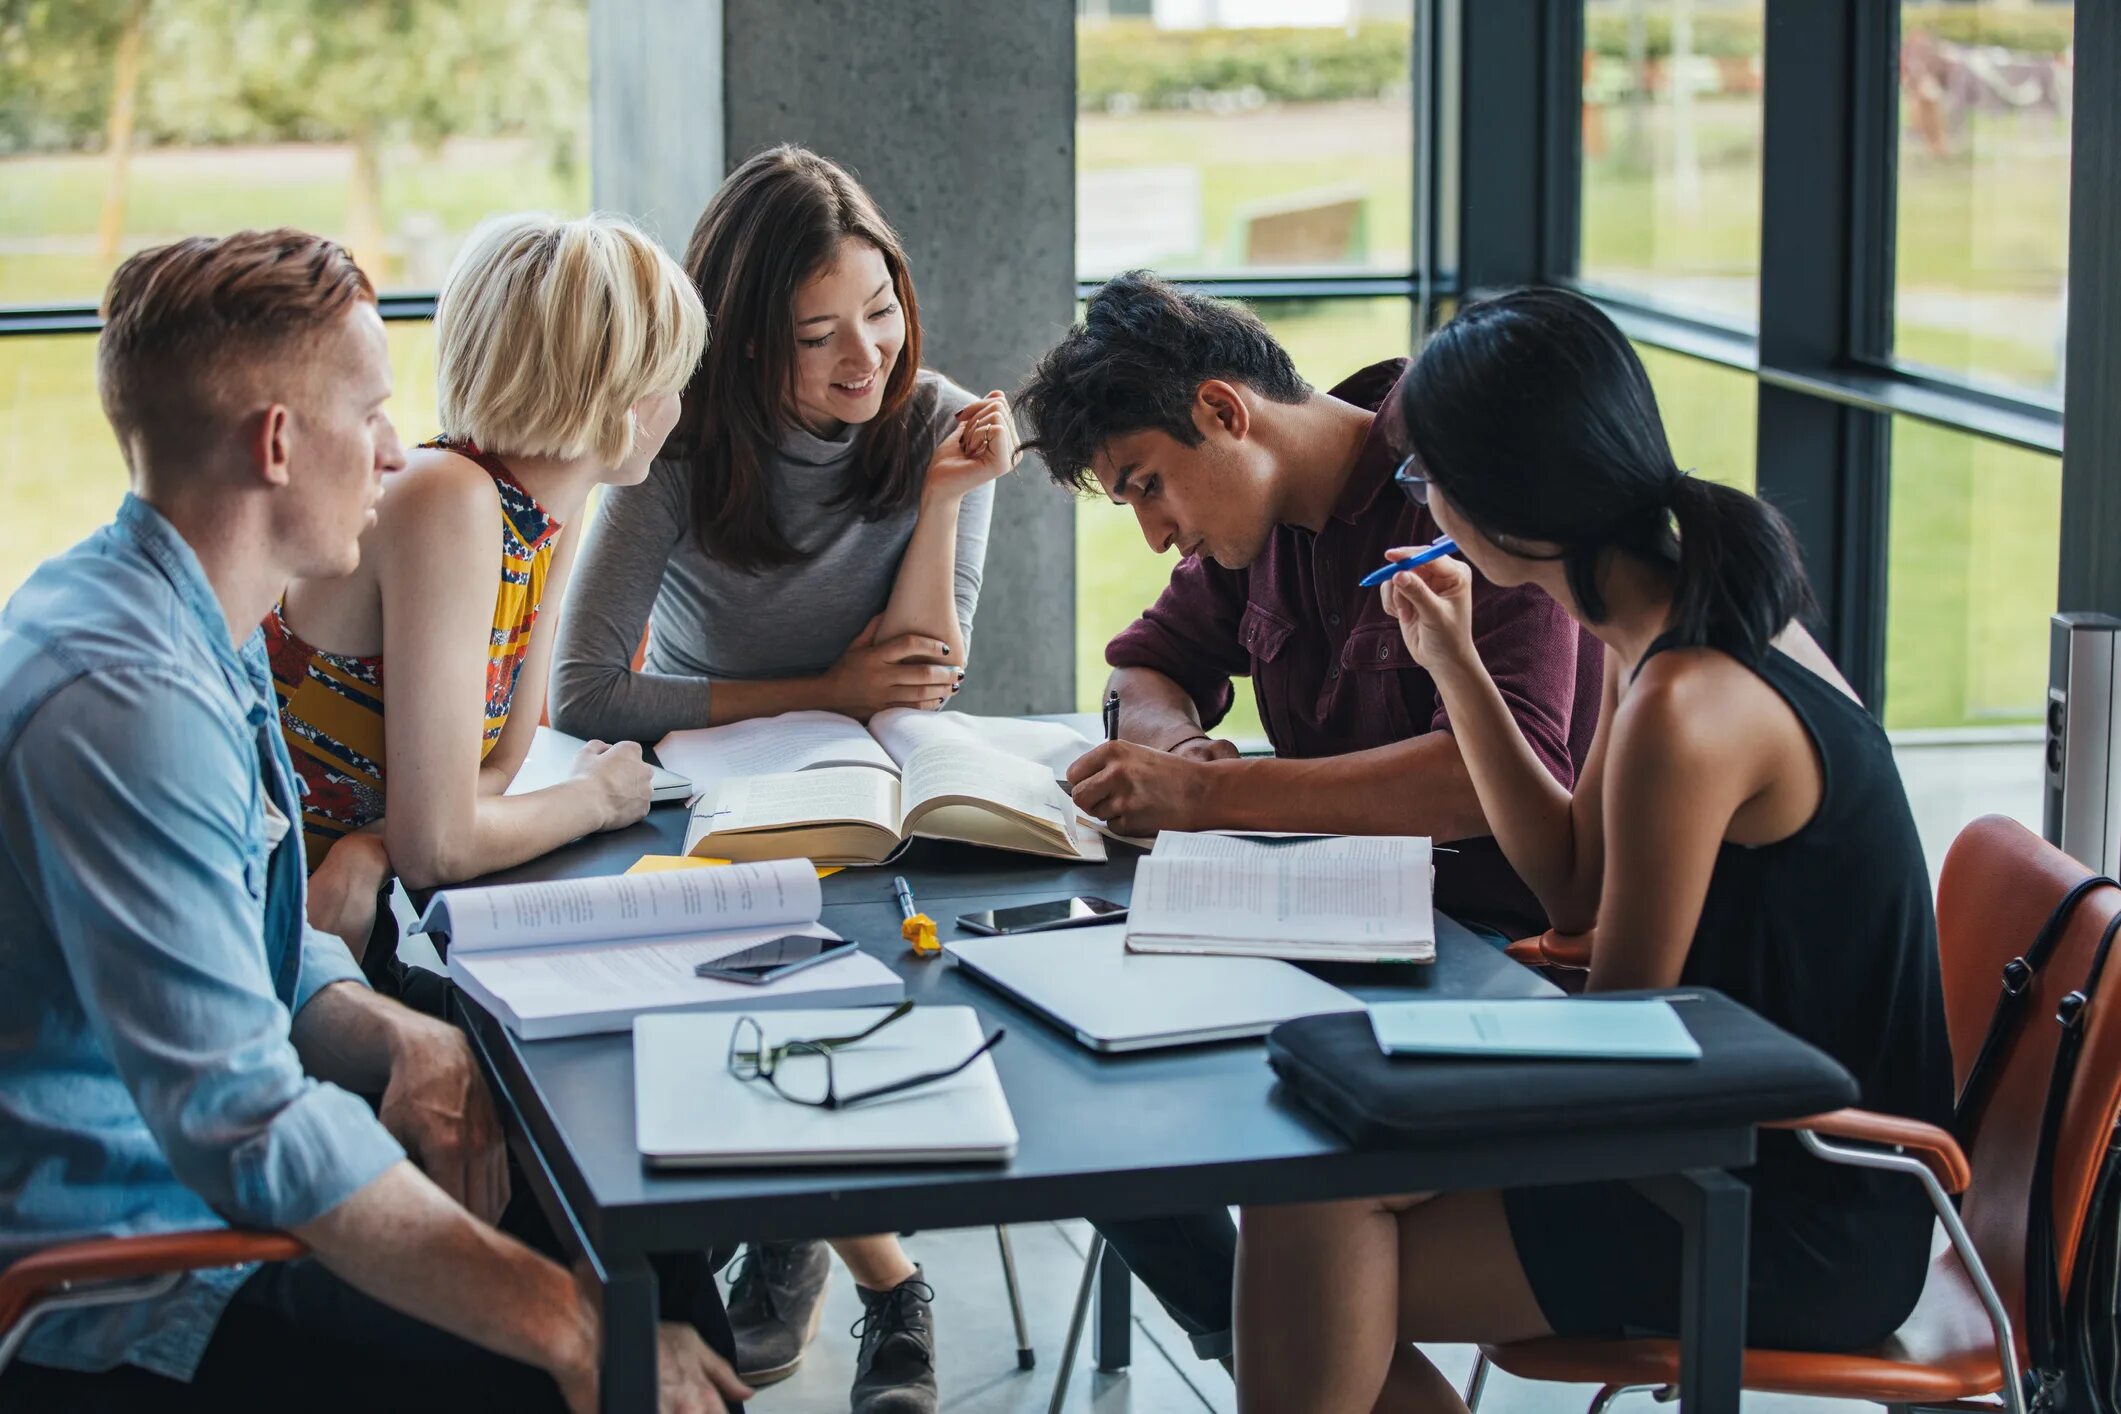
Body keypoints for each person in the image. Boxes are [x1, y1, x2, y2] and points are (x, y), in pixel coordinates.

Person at [0, 230, 747, 1413]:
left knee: (638, 1241)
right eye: (372, 411)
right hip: (130, 1271)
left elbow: (250, 948)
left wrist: (392, 1034)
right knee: (603, 1334)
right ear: (280, 444)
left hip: (202, 1192)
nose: (401, 448)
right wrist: (565, 1323)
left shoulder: (189, 624)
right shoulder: (126, 700)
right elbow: (246, 1124)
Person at [1233, 288, 1953, 1413]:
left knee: (1311, 1232)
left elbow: (1620, 1035)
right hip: (1737, 1129)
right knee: (1311, 1210)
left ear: (1502, 500)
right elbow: (1571, 877)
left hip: (1793, 1201)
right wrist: (1458, 668)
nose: (1421, 508)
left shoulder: (1687, 699)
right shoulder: (1665, 618)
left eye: (1426, 483)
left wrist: (1408, 1093)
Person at [1014, 270, 1603, 1365]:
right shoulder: (1258, 530)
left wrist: (1215, 795)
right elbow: (1144, 665)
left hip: (1487, 965)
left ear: (1225, 413)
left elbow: (1495, 774)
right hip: (1323, 942)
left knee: (1216, 1157)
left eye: (1149, 487)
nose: (1155, 534)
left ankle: (1279, 1344)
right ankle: (1273, 1345)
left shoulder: (1464, 481)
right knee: (1079, 1089)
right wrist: (1174, 742)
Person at [550, 145, 1018, 1414]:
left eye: (882, 312)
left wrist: (942, 497)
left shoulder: (936, 420)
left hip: (881, 790)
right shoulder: (685, 446)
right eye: (820, 335)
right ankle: (890, 1279)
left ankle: (816, 1242)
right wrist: (826, 691)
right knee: (754, 968)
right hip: (731, 797)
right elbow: (585, 689)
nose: (867, 357)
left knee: (873, 960)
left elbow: (927, 669)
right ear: (749, 340)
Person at [270, 212, 706, 992]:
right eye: (672, 374)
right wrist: (593, 799)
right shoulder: (449, 500)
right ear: (626, 396)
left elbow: (498, 764)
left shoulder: (548, 511)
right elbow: (439, 844)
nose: (679, 400)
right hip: (272, 929)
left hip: (348, 911)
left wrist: (376, 845)